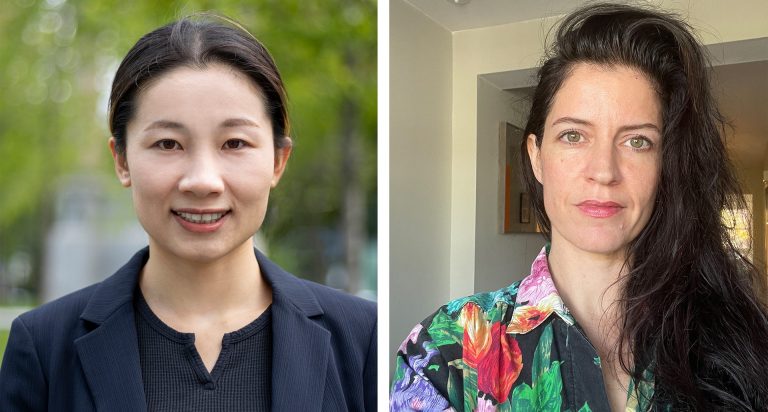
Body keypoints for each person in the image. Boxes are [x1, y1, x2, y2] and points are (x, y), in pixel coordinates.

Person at [391, 3, 768, 411]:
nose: (603, 171)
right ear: (536, 156)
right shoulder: (446, 353)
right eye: (573, 135)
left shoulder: (739, 342)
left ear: (666, 165)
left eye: (637, 141)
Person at [0, 14, 376, 411]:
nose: (202, 181)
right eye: (168, 144)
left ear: (278, 161)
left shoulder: (363, 336)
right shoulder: (43, 347)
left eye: (234, 143)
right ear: (123, 160)